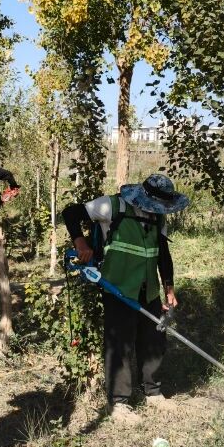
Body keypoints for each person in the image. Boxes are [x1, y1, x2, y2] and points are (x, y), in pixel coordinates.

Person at [63, 173, 188, 422]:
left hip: (147, 288)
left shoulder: (158, 216)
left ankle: (152, 392)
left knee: (153, 340)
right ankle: (119, 403)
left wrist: (169, 288)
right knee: (120, 344)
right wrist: (80, 243)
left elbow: (162, 253)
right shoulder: (112, 206)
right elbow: (70, 213)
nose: (158, 210)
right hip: (117, 287)